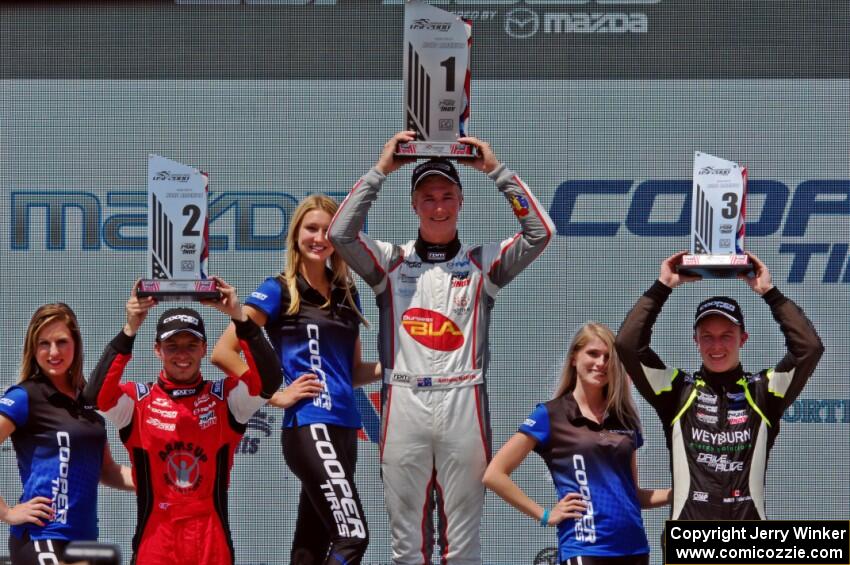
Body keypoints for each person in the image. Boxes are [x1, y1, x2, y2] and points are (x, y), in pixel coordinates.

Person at [328, 131, 556, 564]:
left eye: (447, 195)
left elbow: (539, 233)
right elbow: (341, 234)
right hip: (404, 401)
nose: (437, 206)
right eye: (427, 196)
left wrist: (497, 171)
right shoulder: (390, 262)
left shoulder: (480, 263)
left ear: (460, 202)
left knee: (463, 546)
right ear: (414, 204)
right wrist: (381, 171)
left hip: (463, 401)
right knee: (406, 546)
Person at [211, 194, 380, 565]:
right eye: (311, 229)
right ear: (296, 235)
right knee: (352, 536)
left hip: (344, 428)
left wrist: (396, 366)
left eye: (327, 230)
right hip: (309, 425)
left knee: (311, 543)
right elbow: (223, 352)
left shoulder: (346, 293)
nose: (319, 238)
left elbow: (351, 372)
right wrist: (274, 395)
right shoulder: (278, 289)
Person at [82, 278, 282, 565]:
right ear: (157, 350)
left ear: (204, 349)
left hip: (210, 542)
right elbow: (96, 396)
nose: (182, 354)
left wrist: (240, 318)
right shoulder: (138, 402)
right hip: (157, 540)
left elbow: (268, 382)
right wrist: (130, 330)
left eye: (191, 345)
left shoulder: (225, 399)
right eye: (172, 345)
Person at [615, 251, 824, 520]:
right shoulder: (678, 391)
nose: (716, 346)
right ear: (696, 340)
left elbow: (809, 348)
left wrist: (769, 292)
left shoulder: (763, 391)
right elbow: (627, 346)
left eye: (726, 336)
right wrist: (663, 285)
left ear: (743, 338)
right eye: (707, 337)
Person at [483, 322, 670, 565]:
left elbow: (632, 495)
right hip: (584, 547)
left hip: (635, 548)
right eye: (593, 354)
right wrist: (545, 515)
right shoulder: (550, 415)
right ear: (574, 357)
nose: (601, 363)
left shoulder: (625, 418)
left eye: (608, 357)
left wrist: (677, 494)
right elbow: (494, 474)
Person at [0, 303, 134, 565]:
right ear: (33, 348)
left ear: (76, 343)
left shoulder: (87, 403)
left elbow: (107, 471)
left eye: (61, 342)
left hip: (84, 540)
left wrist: (157, 479)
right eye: (44, 343)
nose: (53, 352)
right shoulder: (26, 396)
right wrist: (6, 512)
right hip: (40, 535)